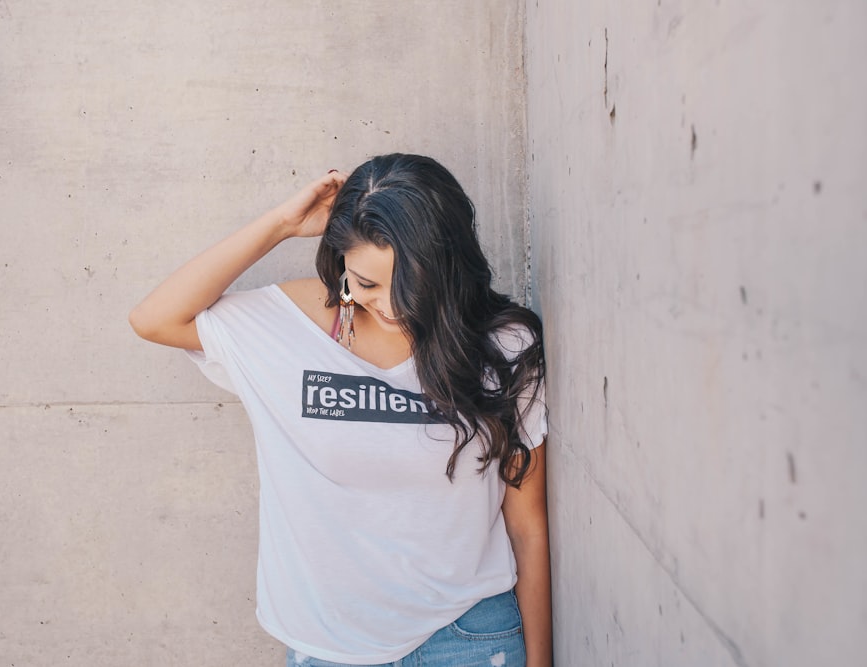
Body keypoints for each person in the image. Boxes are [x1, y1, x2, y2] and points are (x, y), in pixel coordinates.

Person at [129, 153, 551, 667]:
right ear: (343, 266)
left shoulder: (503, 346)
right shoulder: (288, 329)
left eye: (413, 284)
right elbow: (154, 319)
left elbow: (527, 527)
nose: (393, 307)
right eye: (368, 284)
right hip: (329, 648)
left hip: (470, 637)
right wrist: (282, 225)